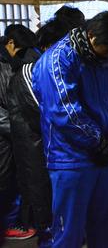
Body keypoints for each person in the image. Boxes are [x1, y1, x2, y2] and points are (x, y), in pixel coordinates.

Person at [32, 11, 108, 248]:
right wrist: (99, 142)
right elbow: (65, 113)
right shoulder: (57, 59)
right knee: (69, 232)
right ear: (92, 36)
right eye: (107, 49)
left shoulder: (104, 58)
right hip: (70, 160)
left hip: (106, 155)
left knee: (105, 225)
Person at [7, 18, 78, 247]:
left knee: (54, 196)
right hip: (35, 145)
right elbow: (40, 111)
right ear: (48, 45)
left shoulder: (48, 64)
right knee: (42, 196)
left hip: (49, 143)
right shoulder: (29, 69)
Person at [0, 25, 38, 242]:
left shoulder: (14, 62)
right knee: (3, 181)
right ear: (10, 43)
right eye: (22, 50)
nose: (25, 56)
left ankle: (13, 223)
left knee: (16, 179)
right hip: (6, 134)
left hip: (14, 134)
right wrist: (17, 128)